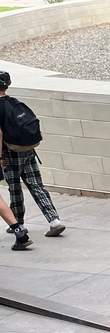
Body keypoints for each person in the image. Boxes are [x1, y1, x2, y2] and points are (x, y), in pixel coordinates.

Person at [0, 71, 65, 238]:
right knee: (36, 185)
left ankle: (18, 224)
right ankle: (54, 220)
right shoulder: (14, 102)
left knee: (14, 188)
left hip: (10, 152)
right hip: (28, 150)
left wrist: (0, 157)